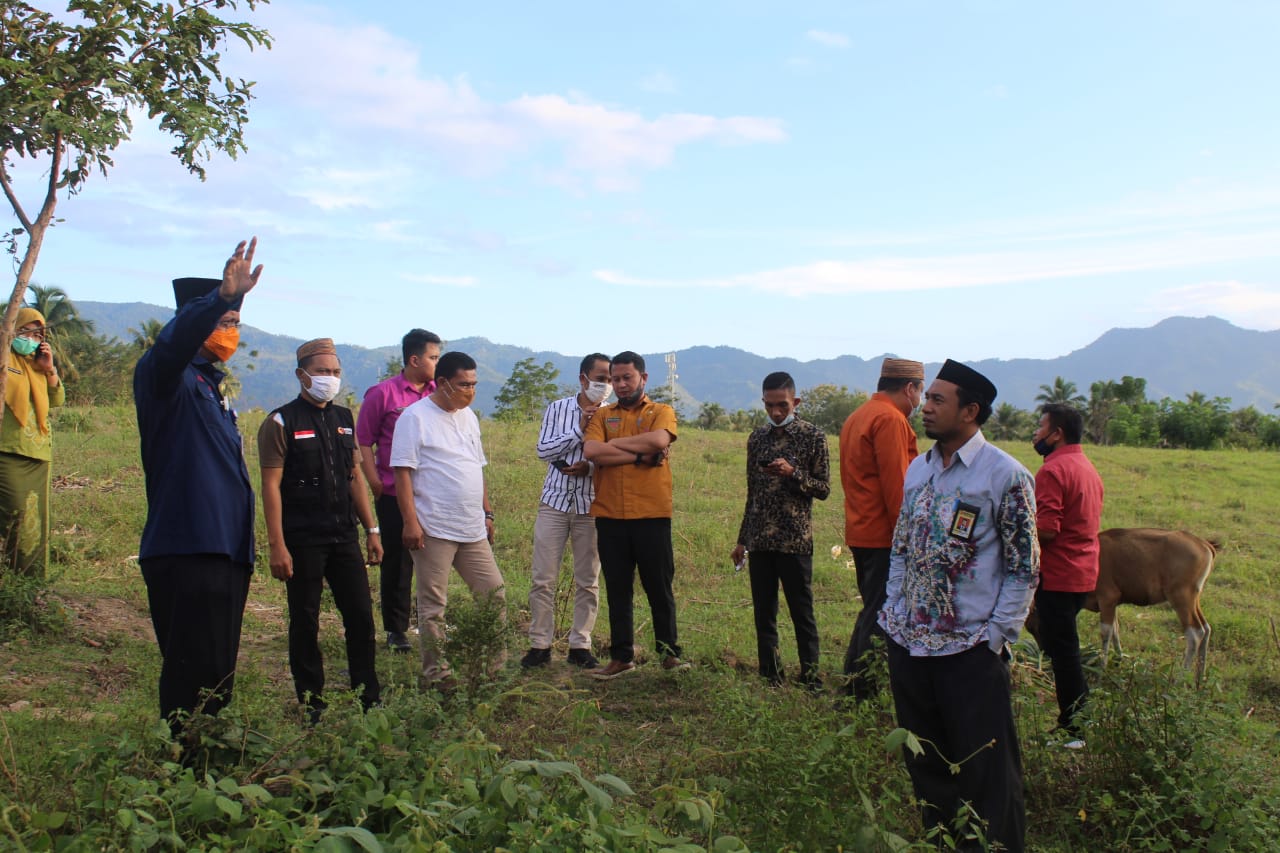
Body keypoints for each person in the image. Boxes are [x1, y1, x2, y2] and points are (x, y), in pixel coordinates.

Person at [879, 359, 1038, 852]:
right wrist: (893, 613)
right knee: (927, 766)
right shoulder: (917, 469)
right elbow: (902, 547)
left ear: (970, 411)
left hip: (969, 649)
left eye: (936, 400)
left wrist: (995, 637)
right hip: (910, 644)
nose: (924, 407)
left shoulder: (1005, 476)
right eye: (925, 398)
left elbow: (1024, 567)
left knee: (987, 772)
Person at [133, 238, 262, 735]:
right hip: (188, 545)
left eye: (235, 324)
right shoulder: (165, 377)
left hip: (225, 549)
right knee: (190, 674)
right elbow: (171, 346)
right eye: (224, 323)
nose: (231, 332)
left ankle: (206, 763)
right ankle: (182, 768)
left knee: (217, 675)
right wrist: (220, 298)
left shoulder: (209, 385)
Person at [259, 338, 383, 721]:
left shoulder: (345, 418)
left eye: (335, 372)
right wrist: (277, 545)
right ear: (302, 375)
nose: (329, 379)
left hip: (343, 534)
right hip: (302, 538)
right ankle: (311, 701)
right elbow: (270, 487)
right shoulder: (281, 422)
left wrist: (372, 529)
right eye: (322, 372)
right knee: (306, 620)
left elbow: (355, 479)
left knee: (361, 617)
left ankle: (368, 697)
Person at [390, 351, 506, 689]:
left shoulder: (468, 416)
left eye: (474, 384)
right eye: (463, 384)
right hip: (434, 527)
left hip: (471, 528)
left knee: (493, 593)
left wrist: (486, 512)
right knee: (433, 603)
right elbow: (402, 475)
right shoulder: (415, 418)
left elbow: (476, 468)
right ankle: (437, 674)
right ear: (442, 383)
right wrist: (410, 522)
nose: (470, 390)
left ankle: (493, 669)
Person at [583, 351, 687, 679]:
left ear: (643, 378)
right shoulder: (602, 415)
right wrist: (640, 457)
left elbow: (659, 439)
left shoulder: (661, 411)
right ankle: (621, 656)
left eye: (628, 377)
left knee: (659, 586)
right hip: (610, 514)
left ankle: (669, 654)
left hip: (651, 514)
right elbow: (592, 451)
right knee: (617, 588)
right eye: (615, 378)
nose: (622, 384)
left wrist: (616, 446)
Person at [730, 372, 830, 687]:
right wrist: (742, 540)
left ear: (795, 402)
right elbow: (752, 493)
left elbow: (824, 489)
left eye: (782, 405)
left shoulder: (813, 436)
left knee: (802, 613)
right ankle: (771, 675)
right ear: (763, 402)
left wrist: (793, 473)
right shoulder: (757, 438)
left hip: (795, 541)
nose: (776, 412)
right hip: (760, 541)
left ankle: (811, 678)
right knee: (764, 612)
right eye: (770, 405)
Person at [838, 358, 925, 701]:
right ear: (909, 388)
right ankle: (860, 690)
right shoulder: (890, 420)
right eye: (920, 392)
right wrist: (910, 539)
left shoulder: (860, 415)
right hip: (884, 535)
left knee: (873, 608)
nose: (920, 402)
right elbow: (897, 487)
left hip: (862, 529)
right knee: (881, 613)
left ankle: (856, 684)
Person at [521, 353, 612, 670]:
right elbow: (543, 449)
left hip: (591, 504)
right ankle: (540, 644)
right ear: (583, 379)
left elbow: (612, 458)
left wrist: (588, 467)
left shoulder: (612, 414)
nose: (606, 385)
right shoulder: (558, 408)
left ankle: (580, 645)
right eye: (600, 378)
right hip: (554, 502)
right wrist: (579, 430)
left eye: (610, 379)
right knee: (543, 577)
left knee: (588, 579)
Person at [356, 329, 442, 652]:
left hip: (430, 491)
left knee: (433, 557)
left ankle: (430, 621)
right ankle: (396, 629)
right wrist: (375, 481)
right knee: (397, 560)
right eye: (433, 358)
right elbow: (364, 440)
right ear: (414, 359)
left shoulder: (438, 393)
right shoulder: (383, 394)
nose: (437, 363)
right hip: (393, 492)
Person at [1031, 402, 1104, 747]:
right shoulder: (1086, 467)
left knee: (1065, 654)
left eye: (1040, 426)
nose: (1036, 433)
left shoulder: (1052, 471)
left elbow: (1046, 529)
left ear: (1056, 433)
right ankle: (1076, 720)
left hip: (1057, 573)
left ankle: (1074, 730)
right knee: (1065, 648)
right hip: (1084, 571)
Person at [0, 307, 64, 578]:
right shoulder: (5, 359)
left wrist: (49, 371)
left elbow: (57, 400)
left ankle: (30, 582)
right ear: (14, 329)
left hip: (38, 453)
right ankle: (11, 578)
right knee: (14, 518)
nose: (33, 338)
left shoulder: (37, 364)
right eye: (27, 331)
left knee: (35, 522)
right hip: (8, 450)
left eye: (38, 334)